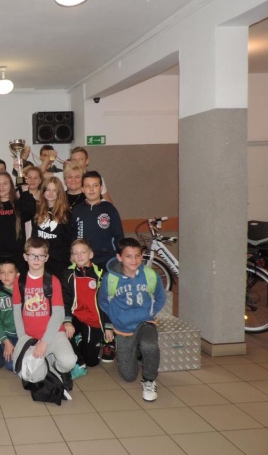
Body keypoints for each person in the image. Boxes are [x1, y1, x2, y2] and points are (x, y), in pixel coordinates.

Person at [98, 238, 165, 402]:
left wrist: (150, 312)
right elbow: (103, 302)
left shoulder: (151, 275)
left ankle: (149, 380)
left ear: (142, 256)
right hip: (123, 326)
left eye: (137, 256)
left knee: (150, 345)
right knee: (128, 376)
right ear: (119, 257)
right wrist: (116, 317)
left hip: (145, 321)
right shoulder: (110, 278)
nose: (134, 260)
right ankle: (135, 351)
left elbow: (160, 298)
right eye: (128, 256)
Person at [12, 238, 76, 391]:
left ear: (46, 258)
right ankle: (47, 362)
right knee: (34, 377)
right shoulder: (19, 282)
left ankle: (59, 369)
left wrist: (44, 342)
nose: (36, 259)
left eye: (40, 256)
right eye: (32, 255)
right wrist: (23, 340)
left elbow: (58, 314)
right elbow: (17, 313)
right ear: (25, 256)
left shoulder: (53, 281)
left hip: (53, 334)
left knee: (69, 362)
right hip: (30, 337)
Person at [61, 239, 110, 379]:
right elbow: (65, 299)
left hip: (93, 320)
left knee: (92, 362)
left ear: (91, 254)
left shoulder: (101, 274)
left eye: (83, 252)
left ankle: (81, 341)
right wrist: (67, 320)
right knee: (62, 332)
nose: (79, 256)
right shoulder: (68, 274)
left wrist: (108, 326)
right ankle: (79, 362)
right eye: (75, 253)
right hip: (76, 317)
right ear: (72, 256)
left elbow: (107, 302)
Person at [71, 171, 124, 271]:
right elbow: (74, 235)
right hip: (84, 260)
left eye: (95, 185)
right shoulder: (77, 210)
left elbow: (119, 236)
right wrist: (72, 253)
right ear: (82, 189)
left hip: (107, 259)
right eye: (87, 186)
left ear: (101, 188)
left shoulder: (110, 209)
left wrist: (120, 254)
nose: (91, 189)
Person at [32, 178, 73, 280]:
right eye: (48, 190)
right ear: (43, 191)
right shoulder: (37, 211)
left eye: (54, 190)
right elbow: (34, 236)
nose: (50, 193)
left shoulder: (66, 214)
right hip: (40, 260)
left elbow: (69, 240)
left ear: (59, 193)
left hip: (59, 262)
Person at [0, 260, 19, 371]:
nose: (6, 275)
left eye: (10, 272)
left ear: (17, 275)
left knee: (23, 361)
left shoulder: (25, 291)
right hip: (7, 335)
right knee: (10, 366)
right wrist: (6, 341)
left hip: (22, 335)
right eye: (3, 272)